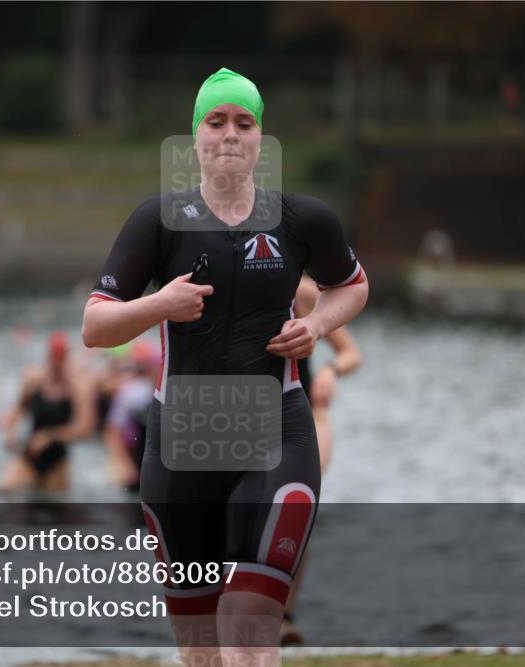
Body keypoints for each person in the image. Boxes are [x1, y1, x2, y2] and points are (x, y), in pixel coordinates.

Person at [82, 68, 368, 667]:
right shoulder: (156, 222)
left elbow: (354, 287)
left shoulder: (302, 220)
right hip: (179, 449)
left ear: (262, 138)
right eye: (216, 123)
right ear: (196, 139)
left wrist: (314, 327)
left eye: (244, 123)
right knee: (200, 650)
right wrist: (161, 304)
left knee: (249, 625)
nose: (230, 135)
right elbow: (95, 326)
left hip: (276, 435)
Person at [281, 273, 362, 645]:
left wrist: (331, 371)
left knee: (296, 509)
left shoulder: (301, 291)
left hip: (308, 413)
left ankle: (284, 615)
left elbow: (350, 353)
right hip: (248, 416)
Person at [0, 331, 96, 493]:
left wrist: (50, 436)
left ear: (67, 358)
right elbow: (18, 411)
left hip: (58, 462)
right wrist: (10, 434)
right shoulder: (34, 380)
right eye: (54, 359)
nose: (57, 365)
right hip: (29, 454)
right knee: (6, 491)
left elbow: (85, 429)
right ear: (48, 356)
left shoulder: (79, 388)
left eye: (61, 359)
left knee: (54, 508)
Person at [103, 341, 161, 492]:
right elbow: (112, 430)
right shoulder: (133, 392)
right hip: (133, 455)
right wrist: (123, 463)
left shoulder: (175, 392)